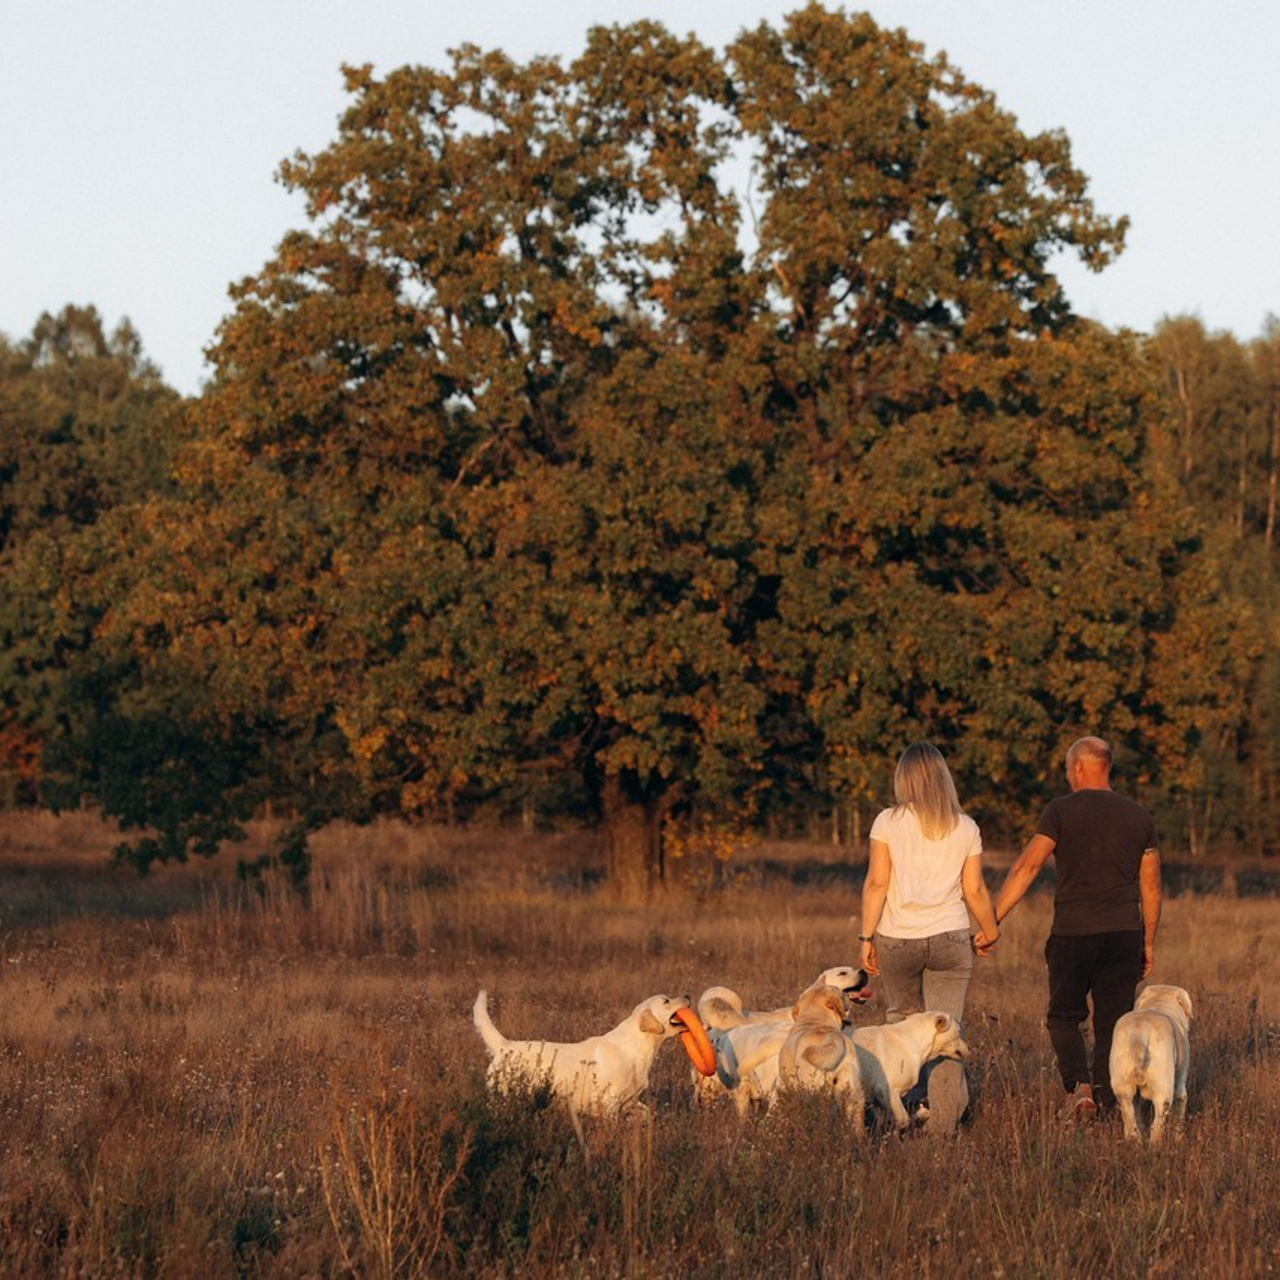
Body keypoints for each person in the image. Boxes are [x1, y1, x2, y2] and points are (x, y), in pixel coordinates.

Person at [993, 735, 1162, 1122]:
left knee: (1063, 1017)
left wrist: (992, 922)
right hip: (1123, 932)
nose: (1068, 776)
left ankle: (1079, 1089)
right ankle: (1107, 1107)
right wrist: (1147, 942)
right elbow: (1150, 887)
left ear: (1080, 767)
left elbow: (1027, 867)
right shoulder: (1139, 816)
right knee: (1112, 1026)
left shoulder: (1059, 811)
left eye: (1069, 769)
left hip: (1073, 932)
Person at [859, 742, 1000, 1134]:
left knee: (901, 1025)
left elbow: (877, 883)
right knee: (948, 1030)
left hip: (896, 938)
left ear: (904, 778)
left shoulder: (887, 821)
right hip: (950, 940)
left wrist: (865, 937)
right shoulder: (966, 826)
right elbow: (974, 891)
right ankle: (943, 1127)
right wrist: (991, 930)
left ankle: (899, 1111)